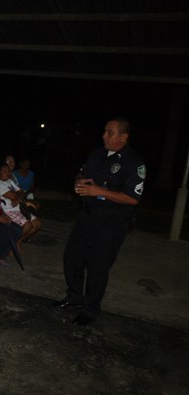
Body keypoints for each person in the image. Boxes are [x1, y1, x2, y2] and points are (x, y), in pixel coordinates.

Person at [54, 118, 145, 326]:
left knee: (98, 266)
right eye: (105, 131)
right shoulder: (97, 153)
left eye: (110, 132)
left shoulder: (134, 162)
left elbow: (133, 198)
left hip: (110, 223)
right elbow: (83, 172)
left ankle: (90, 309)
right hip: (86, 216)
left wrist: (99, 191)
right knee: (72, 258)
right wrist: (79, 181)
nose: (104, 136)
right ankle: (74, 297)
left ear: (123, 137)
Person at [0, 162, 42, 249]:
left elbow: (22, 192)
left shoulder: (9, 181)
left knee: (37, 224)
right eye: (4, 171)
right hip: (9, 211)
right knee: (28, 225)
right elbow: (14, 195)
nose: (8, 173)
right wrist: (18, 197)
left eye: (8, 171)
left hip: (19, 208)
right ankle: (11, 246)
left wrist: (18, 198)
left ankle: (17, 242)